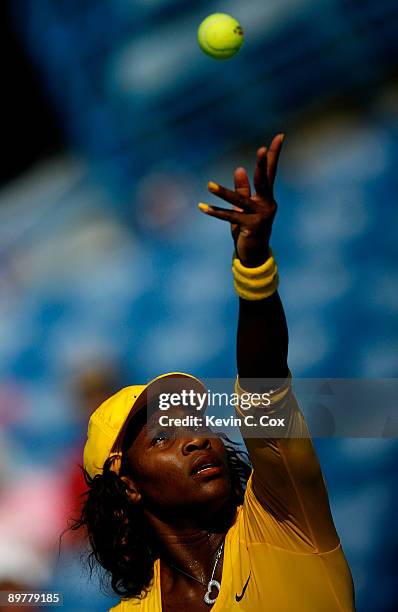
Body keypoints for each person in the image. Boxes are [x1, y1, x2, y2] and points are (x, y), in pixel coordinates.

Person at [77, 134, 355, 611]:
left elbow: (265, 390)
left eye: (195, 422)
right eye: (163, 437)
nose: (196, 438)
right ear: (127, 484)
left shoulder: (283, 516)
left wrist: (253, 269)